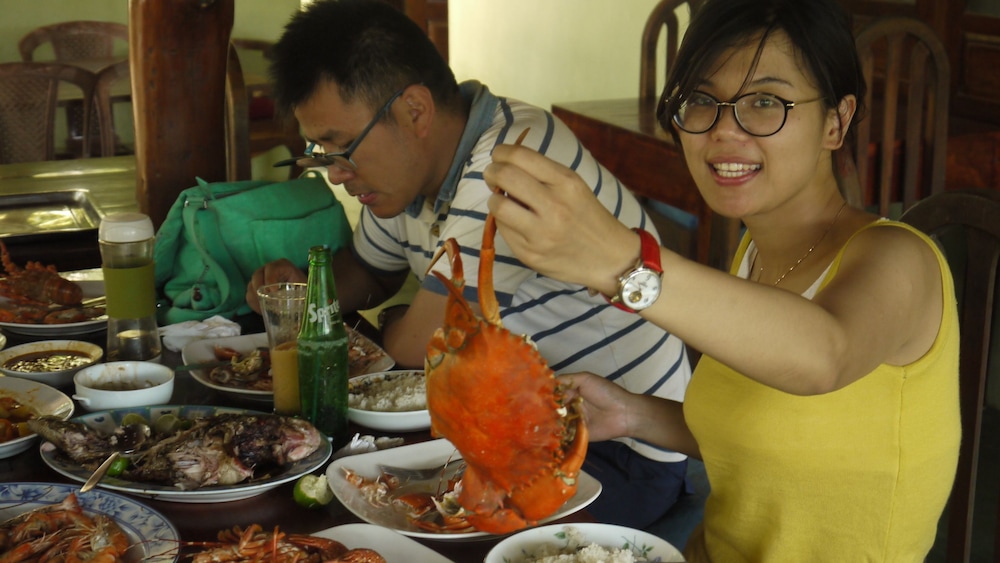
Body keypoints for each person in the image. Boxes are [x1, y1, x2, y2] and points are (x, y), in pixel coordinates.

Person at [482, 0, 960, 560]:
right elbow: (770, 433)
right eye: (702, 100)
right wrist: (634, 414)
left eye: (765, 102)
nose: (724, 130)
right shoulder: (755, 253)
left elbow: (824, 356)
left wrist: (623, 262)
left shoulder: (900, 259)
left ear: (837, 120)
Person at [245, 0, 692, 528]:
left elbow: (418, 349)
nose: (336, 174)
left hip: (617, 445)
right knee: (320, 486)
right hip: (505, 427)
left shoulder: (511, 160)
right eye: (321, 154)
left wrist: (401, 324)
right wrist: (303, 292)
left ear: (415, 111)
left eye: (342, 149)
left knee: (384, 522)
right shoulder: (403, 176)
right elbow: (370, 274)